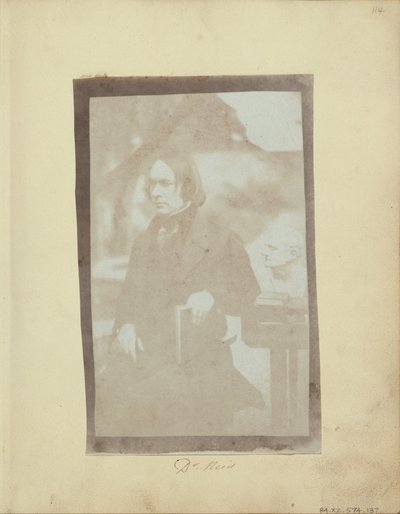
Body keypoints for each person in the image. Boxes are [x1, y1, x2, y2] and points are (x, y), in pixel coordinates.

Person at [102, 153, 264, 436]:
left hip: (199, 364)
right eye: (152, 184)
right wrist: (126, 324)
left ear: (188, 186)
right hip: (147, 357)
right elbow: (129, 296)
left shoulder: (220, 237)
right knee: (107, 404)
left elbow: (249, 290)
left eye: (165, 183)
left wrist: (212, 295)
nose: (156, 192)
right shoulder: (144, 241)